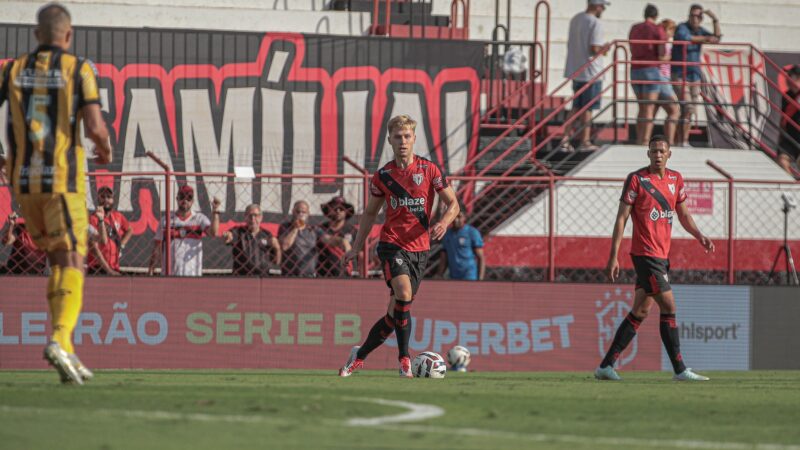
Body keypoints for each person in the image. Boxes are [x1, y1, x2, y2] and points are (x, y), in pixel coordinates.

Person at [0, 2, 113, 384]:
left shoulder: (12, 70)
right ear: (69, 35)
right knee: (75, 262)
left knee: (57, 261)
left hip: (24, 185)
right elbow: (95, 127)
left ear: (36, 35)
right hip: (62, 183)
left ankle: (67, 348)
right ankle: (61, 341)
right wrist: (105, 148)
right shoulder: (78, 69)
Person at [338, 114, 459, 378]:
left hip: (420, 249)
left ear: (414, 139)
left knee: (396, 313)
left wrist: (444, 222)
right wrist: (357, 247)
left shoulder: (430, 170)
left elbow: (453, 204)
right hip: (392, 244)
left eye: (407, 136)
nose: (402, 141)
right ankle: (404, 359)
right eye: (397, 137)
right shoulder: (383, 176)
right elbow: (370, 214)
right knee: (403, 293)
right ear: (390, 140)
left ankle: (358, 356)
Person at [595, 134, 715, 382]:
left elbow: (683, 214)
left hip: (662, 255)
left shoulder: (676, 179)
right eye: (653, 151)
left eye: (661, 151)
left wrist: (699, 235)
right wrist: (613, 256)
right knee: (669, 306)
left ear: (669, 154)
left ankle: (605, 366)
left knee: (640, 310)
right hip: (645, 254)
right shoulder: (637, 180)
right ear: (647, 154)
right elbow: (621, 218)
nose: (657, 155)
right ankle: (680, 370)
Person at [559, 0, 610, 152]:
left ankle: (565, 138)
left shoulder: (576, 19)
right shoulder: (595, 23)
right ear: (596, 6)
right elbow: (594, 48)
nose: (603, 9)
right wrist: (605, 48)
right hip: (591, 71)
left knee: (576, 106)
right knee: (588, 108)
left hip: (577, 68)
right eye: (602, 6)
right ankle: (585, 141)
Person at [671, 4, 721, 147]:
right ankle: (682, 141)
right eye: (692, 15)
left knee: (689, 109)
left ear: (701, 18)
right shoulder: (682, 27)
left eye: (698, 16)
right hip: (680, 74)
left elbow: (716, 38)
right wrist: (706, 39)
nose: (694, 18)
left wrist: (715, 20)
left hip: (694, 74)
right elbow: (687, 38)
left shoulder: (700, 30)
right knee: (687, 107)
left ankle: (681, 141)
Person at [629, 5, 679, 145]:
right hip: (651, 70)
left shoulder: (634, 28)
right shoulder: (657, 30)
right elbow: (662, 53)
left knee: (642, 107)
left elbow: (631, 46)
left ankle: (640, 140)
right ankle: (645, 141)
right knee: (651, 108)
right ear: (656, 16)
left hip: (635, 69)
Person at [147, 185, 220, 277]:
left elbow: (213, 233)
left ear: (193, 201)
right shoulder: (166, 220)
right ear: (177, 199)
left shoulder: (199, 218)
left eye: (189, 197)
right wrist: (151, 269)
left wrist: (215, 211)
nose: (185, 200)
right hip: (169, 275)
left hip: (193, 275)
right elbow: (157, 247)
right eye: (182, 197)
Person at [223, 203, 281, 276]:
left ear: (261, 217)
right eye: (250, 215)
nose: (253, 219)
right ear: (245, 217)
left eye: (256, 215)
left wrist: (277, 248)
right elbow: (229, 237)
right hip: (241, 276)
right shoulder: (238, 232)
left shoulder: (267, 235)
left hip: (262, 277)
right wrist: (228, 236)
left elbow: (277, 262)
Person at [87, 186, 132, 275]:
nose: (106, 200)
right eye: (103, 197)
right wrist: (108, 270)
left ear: (113, 200)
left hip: (114, 266)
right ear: (98, 199)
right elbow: (94, 246)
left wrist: (122, 245)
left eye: (109, 197)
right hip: (97, 267)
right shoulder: (93, 219)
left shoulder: (117, 216)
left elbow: (130, 230)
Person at [438, 206, 485, 281]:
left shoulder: (472, 233)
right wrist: (439, 275)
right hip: (453, 277)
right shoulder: (446, 234)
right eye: (454, 216)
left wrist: (480, 279)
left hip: (469, 277)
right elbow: (444, 258)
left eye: (459, 217)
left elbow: (480, 258)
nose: (456, 220)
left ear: (465, 217)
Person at [278, 200, 322, 277]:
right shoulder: (285, 227)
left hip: (309, 274)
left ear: (308, 214)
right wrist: (296, 228)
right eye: (298, 212)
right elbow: (284, 246)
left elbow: (328, 239)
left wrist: (342, 242)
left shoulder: (314, 229)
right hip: (289, 274)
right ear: (293, 212)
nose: (300, 214)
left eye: (303, 212)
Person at [317, 196, 357, 277]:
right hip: (323, 274)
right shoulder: (321, 229)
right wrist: (343, 242)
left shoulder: (353, 231)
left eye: (341, 209)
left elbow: (361, 254)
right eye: (334, 208)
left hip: (346, 274)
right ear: (329, 210)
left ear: (346, 211)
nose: (338, 211)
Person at [778, 64, 800, 175]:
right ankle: (792, 189)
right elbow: (783, 117)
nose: (787, 79)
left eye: (791, 76)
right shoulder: (786, 95)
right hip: (791, 137)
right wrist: (780, 136)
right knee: (782, 159)